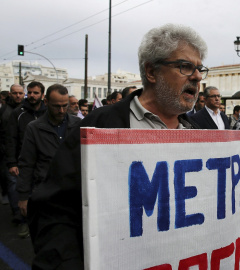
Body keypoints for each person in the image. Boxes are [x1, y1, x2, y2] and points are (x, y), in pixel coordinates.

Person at [28, 23, 206, 268]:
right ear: (151, 72)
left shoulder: (200, 135)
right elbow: (55, 211)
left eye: (199, 68)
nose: (197, 76)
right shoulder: (101, 125)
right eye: (185, 66)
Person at [16, 84, 81, 219]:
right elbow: (27, 163)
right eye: (57, 106)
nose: (62, 110)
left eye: (65, 106)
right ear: (46, 102)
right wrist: (23, 196)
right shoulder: (34, 128)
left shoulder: (78, 124)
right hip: (45, 192)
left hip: (73, 192)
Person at [6, 81, 46, 238]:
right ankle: (24, 222)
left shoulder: (48, 112)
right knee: (24, 194)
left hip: (43, 162)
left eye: (36, 93)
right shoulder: (17, 113)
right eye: (30, 92)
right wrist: (12, 163)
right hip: (23, 163)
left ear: (42, 95)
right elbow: (11, 139)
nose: (32, 95)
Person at [0, 85, 25, 206]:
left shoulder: (25, 109)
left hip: (22, 151)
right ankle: (16, 211)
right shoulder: (4, 110)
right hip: (7, 152)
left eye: (20, 93)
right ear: (10, 94)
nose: (18, 96)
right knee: (11, 181)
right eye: (15, 93)